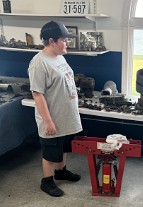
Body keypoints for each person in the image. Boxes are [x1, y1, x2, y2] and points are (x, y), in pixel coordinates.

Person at [28, 21, 83, 197]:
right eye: (64, 39)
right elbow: (38, 94)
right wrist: (48, 121)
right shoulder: (39, 63)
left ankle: (61, 171)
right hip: (52, 117)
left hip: (66, 115)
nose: (67, 43)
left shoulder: (60, 57)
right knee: (51, 151)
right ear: (52, 41)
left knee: (64, 147)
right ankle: (47, 181)